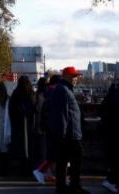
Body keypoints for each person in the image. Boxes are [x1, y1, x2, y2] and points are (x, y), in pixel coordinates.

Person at [49, 66, 88, 194]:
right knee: (74, 161)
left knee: (63, 162)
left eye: (76, 76)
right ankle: (73, 186)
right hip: (69, 135)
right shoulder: (63, 91)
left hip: (69, 134)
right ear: (66, 76)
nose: (76, 79)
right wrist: (62, 135)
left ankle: (64, 187)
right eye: (74, 76)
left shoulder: (64, 89)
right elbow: (62, 115)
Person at [9, 75, 36, 176]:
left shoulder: (15, 94)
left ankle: (21, 168)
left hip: (18, 126)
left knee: (20, 148)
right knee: (29, 147)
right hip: (28, 125)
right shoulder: (31, 94)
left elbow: (11, 111)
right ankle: (28, 168)